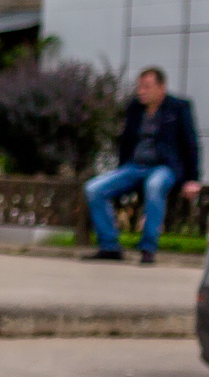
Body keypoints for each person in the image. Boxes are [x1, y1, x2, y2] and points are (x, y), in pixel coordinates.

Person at [83, 66, 201, 265]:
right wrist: (121, 170)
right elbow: (126, 143)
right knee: (94, 189)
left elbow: (191, 144)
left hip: (164, 168)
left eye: (147, 87)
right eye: (139, 87)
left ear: (161, 87)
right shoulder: (134, 108)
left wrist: (192, 179)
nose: (141, 91)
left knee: (154, 186)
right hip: (134, 167)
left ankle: (148, 248)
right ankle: (109, 246)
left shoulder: (179, 107)